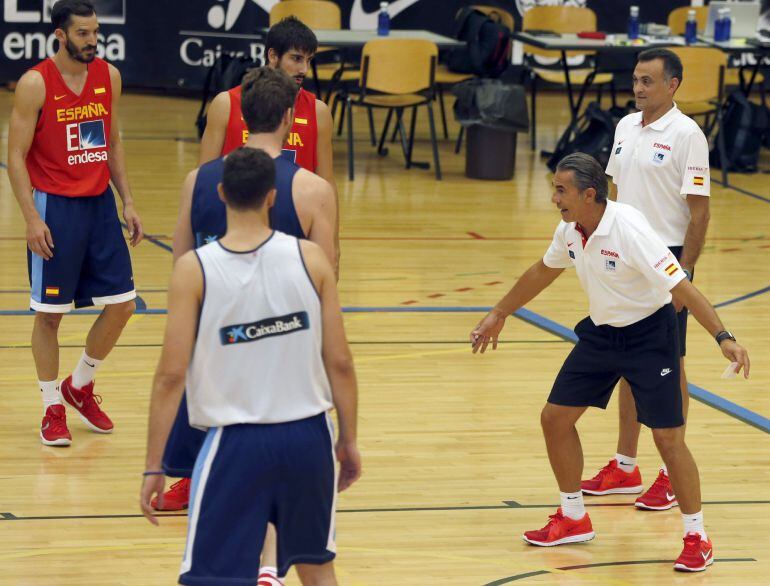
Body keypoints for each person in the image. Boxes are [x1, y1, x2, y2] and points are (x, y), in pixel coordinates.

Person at [470, 153, 749, 572]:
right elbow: (541, 271)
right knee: (555, 418)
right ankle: (573, 517)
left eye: (561, 190)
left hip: (650, 337)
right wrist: (499, 312)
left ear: (589, 194)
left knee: (668, 440)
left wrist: (723, 337)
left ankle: (697, 536)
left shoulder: (630, 229)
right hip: (601, 335)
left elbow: (682, 287)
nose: (553, 198)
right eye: (554, 189)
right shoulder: (570, 230)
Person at [140, 147, 361, 586]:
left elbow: (170, 376)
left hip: (235, 443)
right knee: (317, 568)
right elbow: (339, 361)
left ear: (221, 194)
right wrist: (349, 440)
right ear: (272, 197)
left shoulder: (193, 269)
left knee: (212, 577)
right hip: (309, 437)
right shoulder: (313, 259)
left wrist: (154, 465)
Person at [7, 0, 143, 446]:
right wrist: (30, 217)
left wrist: (128, 201)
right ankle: (51, 408)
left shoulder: (109, 77)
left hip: (99, 206)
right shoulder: (34, 83)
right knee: (49, 316)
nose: (92, 41)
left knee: (123, 304)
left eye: (95, 32)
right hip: (54, 208)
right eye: (83, 33)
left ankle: (79, 386)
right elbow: (15, 157)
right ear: (60, 35)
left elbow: (112, 141)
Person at [581, 49, 712, 510]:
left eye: (648, 81)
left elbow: (699, 213)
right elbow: (615, 195)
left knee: (669, 363)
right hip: (627, 259)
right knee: (628, 359)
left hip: (667, 262)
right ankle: (624, 465)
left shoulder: (687, 135)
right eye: (636, 80)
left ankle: (669, 474)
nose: (638, 88)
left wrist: (685, 276)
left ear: (672, 85)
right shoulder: (624, 126)